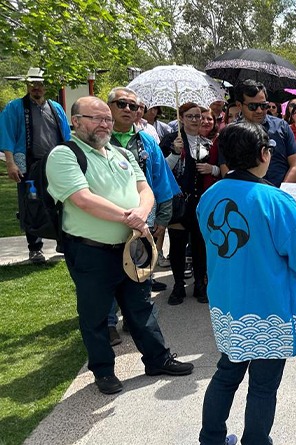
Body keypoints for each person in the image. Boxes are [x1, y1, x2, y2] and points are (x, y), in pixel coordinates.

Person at [45, 96, 193, 395]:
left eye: (107, 120)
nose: (104, 124)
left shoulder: (121, 153)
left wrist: (140, 213)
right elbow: (82, 199)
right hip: (91, 251)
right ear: (75, 121)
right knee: (95, 314)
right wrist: (133, 218)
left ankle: (157, 359)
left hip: (130, 246)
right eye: (96, 118)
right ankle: (103, 372)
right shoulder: (64, 155)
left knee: (141, 307)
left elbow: (145, 189)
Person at [197, 122, 296, 445]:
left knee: (227, 373)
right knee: (263, 385)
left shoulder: (210, 194)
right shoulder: (274, 200)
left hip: (229, 302)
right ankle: (256, 441)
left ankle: (211, 438)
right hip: (269, 306)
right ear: (263, 153)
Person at [106, 87, 181, 343]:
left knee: (141, 269)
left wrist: (162, 218)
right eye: (122, 104)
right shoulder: (98, 140)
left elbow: (162, 181)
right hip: (107, 219)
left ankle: (135, 318)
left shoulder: (147, 141)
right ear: (110, 108)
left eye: (133, 105)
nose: (128, 109)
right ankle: (108, 323)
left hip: (144, 220)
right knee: (108, 273)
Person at [0, 68, 71, 263]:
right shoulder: (15, 108)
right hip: (28, 164)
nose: (36, 87)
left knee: (61, 201)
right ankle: (35, 247)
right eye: (32, 84)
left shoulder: (56, 108)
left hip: (54, 163)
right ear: (27, 85)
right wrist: (10, 163)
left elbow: (66, 136)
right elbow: (7, 135)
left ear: (45, 86)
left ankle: (61, 241)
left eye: (39, 84)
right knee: (31, 204)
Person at [160, 103, 221, 305]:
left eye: (199, 116)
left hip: (201, 202)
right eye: (191, 116)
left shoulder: (208, 143)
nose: (196, 120)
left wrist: (211, 169)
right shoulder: (171, 141)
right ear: (182, 118)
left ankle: (199, 285)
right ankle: (178, 285)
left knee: (200, 245)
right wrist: (175, 154)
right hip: (178, 201)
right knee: (177, 245)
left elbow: (218, 170)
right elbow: (161, 171)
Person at [220, 80, 296, 186]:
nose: (259, 110)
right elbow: (225, 168)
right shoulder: (230, 133)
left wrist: (279, 193)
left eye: (263, 106)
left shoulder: (282, 126)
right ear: (239, 105)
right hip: (246, 195)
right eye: (253, 106)